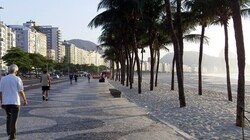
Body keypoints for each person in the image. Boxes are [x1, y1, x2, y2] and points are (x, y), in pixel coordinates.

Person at [0, 64, 28, 140]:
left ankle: (9, 132)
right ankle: (12, 137)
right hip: (15, 102)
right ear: (16, 71)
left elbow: (1, 92)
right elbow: (21, 91)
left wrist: (2, 102)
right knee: (14, 120)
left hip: (6, 103)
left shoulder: (3, 79)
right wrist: (25, 100)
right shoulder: (17, 79)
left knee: (9, 117)